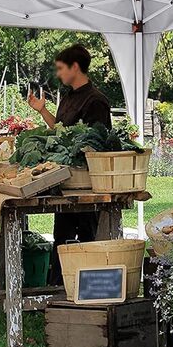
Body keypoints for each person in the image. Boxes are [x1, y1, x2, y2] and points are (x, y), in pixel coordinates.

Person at [28, 44, 111, 284]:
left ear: (75, 67)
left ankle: (86, 290)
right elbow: (60, 131)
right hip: (65, 180)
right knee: (61, 237)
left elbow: (98, 143)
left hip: (86, 184)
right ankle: (58, 289)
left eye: (61, 68)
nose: (58, 74)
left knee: (87, 238)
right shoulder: (67, 98)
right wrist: (43, 111)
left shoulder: (96, 101)